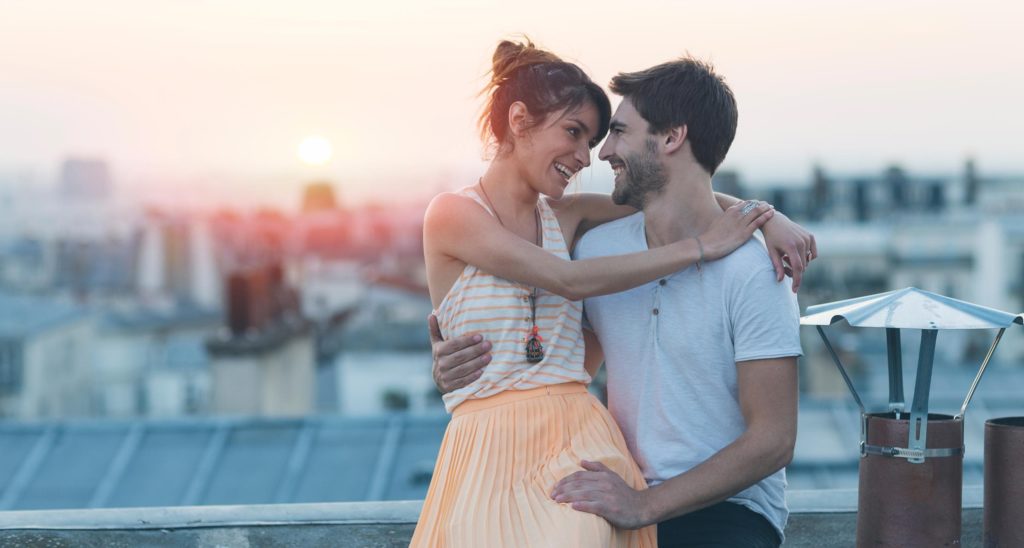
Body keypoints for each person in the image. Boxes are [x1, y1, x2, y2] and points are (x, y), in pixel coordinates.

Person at [411, 39, 807, 547]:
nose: (594, 154)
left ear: (671, 137)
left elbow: (682, 191)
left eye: (609, 134)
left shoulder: (745, 269)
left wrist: (764, 218)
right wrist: (451, 364)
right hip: (546, 461)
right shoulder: (562, 241)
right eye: (577, 133)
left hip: (670, 483)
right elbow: (560, 303)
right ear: (517, 121)